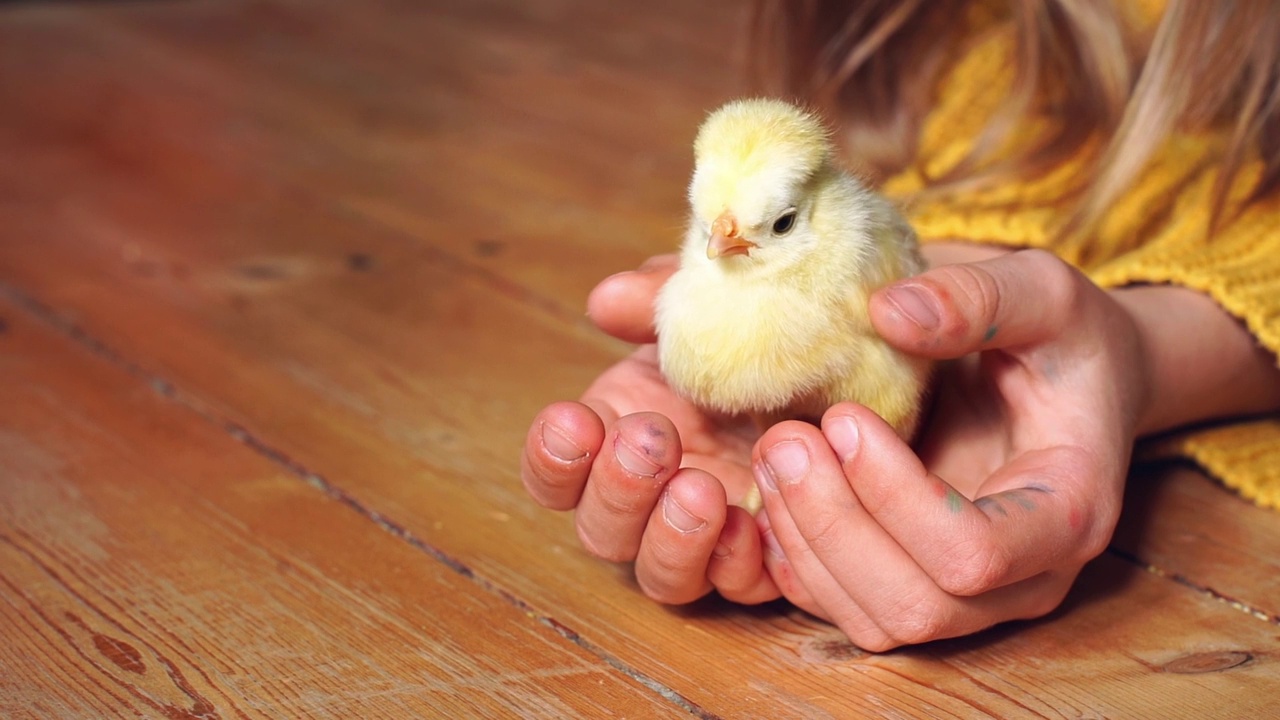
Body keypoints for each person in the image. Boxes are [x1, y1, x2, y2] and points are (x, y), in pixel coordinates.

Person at [520, 0, 1280, 651]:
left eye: (775, 224)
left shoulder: (836, 245)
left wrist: (1138, 352)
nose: (719, 248)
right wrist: (972, 265)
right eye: (707, 226)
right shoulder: (918, 59)